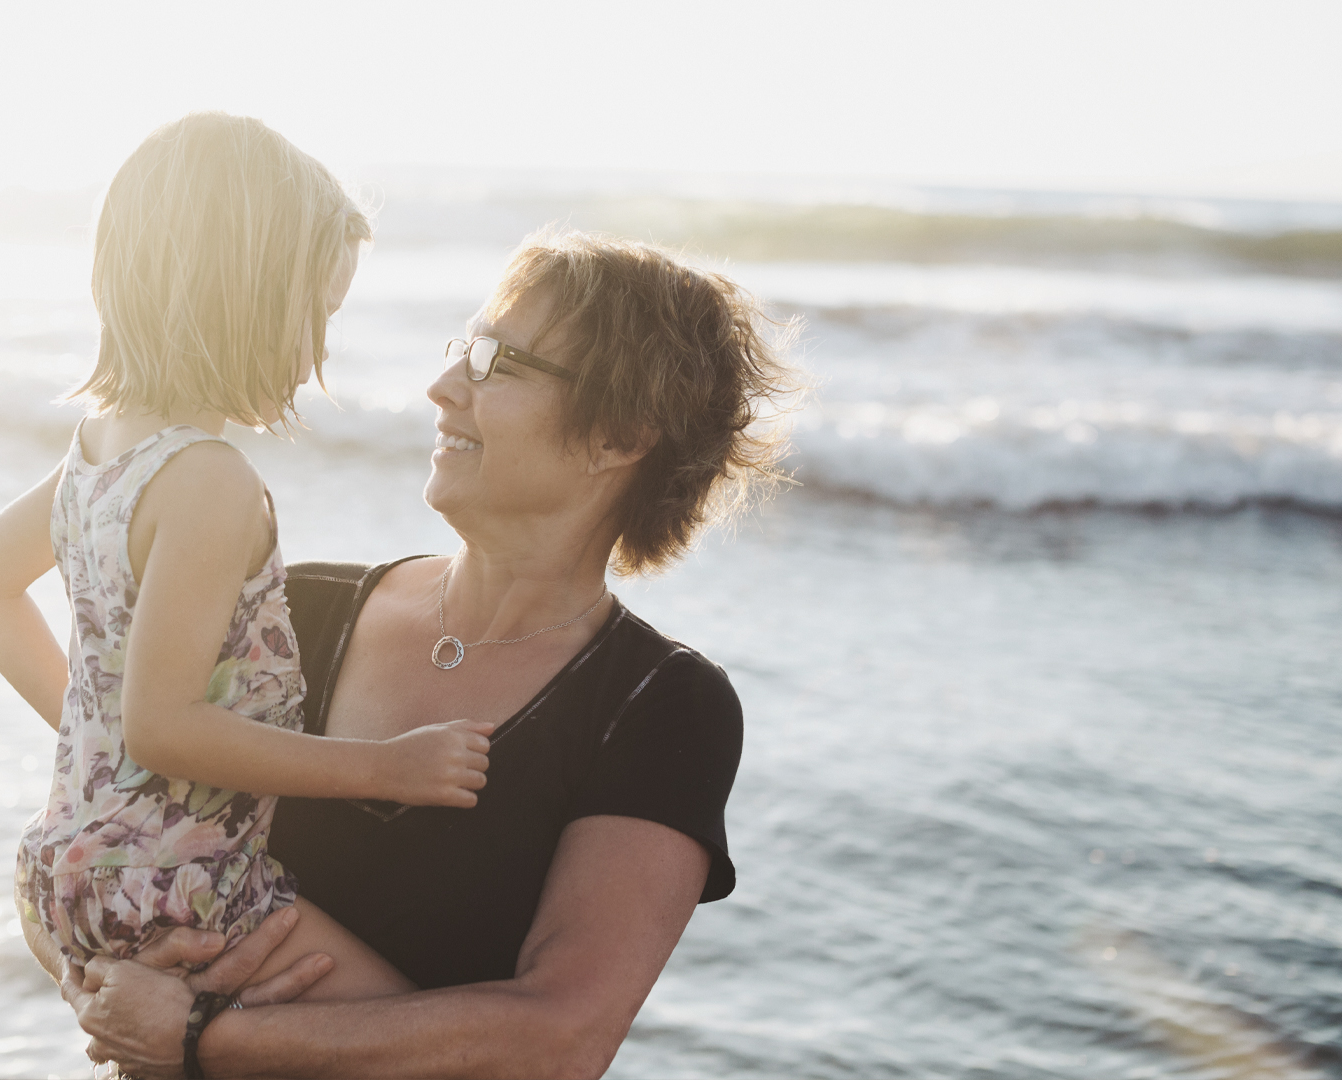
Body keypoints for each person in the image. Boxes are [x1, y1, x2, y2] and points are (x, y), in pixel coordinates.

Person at [42, 231, 800, 1078]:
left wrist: (204, 1040)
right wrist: (99, 984)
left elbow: (562, 1035)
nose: (442, 389)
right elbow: (115, 834)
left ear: (619, 437)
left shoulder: (661, 705)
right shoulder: (299, 606)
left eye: (498, 363)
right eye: (460, 352)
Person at [0, 112, 498, 1009]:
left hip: (72, 864)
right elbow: (164, 726)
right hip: (178, 886)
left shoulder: (101, 450)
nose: (320, 346)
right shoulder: (210, 481)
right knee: (422, 1036)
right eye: (318, 312)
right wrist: (387, 768)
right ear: (248, 296)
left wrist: (98, 749)